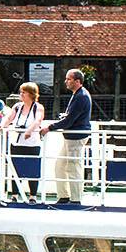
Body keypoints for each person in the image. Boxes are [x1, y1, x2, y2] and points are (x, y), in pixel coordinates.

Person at [41, 68, 92, 203]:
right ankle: (64, 196)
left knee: (73, 167)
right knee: (60, 165)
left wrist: (50, 127)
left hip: (76, 137)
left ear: (77, 81)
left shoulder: (81, 96)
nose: (66, 81)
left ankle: (76, 199)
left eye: (69, 79)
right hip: (71, 136)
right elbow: (71, 117)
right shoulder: (79, 94)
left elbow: (70, 120)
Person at [5, 83, 44, 201]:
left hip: (32, 144)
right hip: (16, 143)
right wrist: (2, 126)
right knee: (16, 169)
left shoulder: (38, 107)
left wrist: (29, 130)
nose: (21, 94)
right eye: (20, 92)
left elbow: (38, 120)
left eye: (24, 92)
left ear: (31, 94)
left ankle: (33, 196)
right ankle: (14, 195)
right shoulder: (17, 107)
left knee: (32, 169)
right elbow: (9, 118)